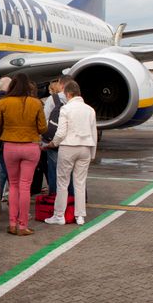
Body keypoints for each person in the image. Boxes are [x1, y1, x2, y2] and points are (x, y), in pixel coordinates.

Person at [0, 72, 46, 236]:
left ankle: (12, 224)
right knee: (25, 186)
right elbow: (42, 128)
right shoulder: (36, 103)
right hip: (30, 147)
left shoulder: (4, 102)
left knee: (13, 185)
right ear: (28, 86)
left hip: (10, 147)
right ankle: (23, 226)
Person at [44, 80, 97, 225]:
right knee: (80, 183)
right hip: (85, 147)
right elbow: (94, 133)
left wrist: (53, 143)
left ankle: (59, 215)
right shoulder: (90, 110)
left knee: (63, 182)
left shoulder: (66, 109)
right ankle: (80, 216)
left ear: (68, 94)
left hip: (68, 147)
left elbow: (61, 132)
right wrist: (92, 153)